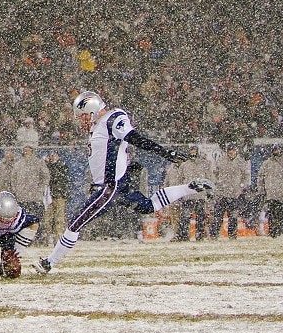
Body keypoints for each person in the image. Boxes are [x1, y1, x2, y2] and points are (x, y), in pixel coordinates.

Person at [34, 91, 212, 274]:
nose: (82, 120)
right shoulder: (98, 126)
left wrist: (166, 153)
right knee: (148, 206)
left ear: (93, 110)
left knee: (76, 222)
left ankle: (49, 262)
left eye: (84, 115)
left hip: (112, 186)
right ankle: (190, 187)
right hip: (112, 185)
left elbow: (136, 139)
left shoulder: (113, 119)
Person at [166, 144, 210, 241]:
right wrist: (180, 192)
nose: (193, 153)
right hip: (188, 196)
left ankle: (200, 236)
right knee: (185, 217)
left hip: (200, 195)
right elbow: (179, 180)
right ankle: (184, 235)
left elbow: (208, 179)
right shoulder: (184, 165)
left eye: (194, 151)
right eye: (191, 151)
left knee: (200, 217)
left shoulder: (204, 164)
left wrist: (209, 191)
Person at [211, 143, 251, 239]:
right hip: (221, 193)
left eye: (233, 150)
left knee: (233, 216)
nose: (231, 152)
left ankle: (232, 235)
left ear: (236, 151)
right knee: (218, 216)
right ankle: (214, 235)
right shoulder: (221, 161)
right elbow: (215, 173)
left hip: (234, 194)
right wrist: (217, 182)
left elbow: (246, 176)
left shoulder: (241, 162)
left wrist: (242, 186)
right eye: (229, 151)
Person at [12, 146, 50, 225]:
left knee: (36, 220)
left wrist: (40, 188)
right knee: (22, 220)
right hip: (22, 197)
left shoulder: (38, 163)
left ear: (32, 151)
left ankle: (38, 235)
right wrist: (16, 189)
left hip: (35, 197)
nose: (27, 152)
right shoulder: (18, 164)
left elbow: (46, 176)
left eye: (29, 150)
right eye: (25, 150)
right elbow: (13, 178)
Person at [44, 151, 70, 245]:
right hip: (50, 196)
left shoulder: (61, 166)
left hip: (59, 196)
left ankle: (58, 237)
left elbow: (58, 178)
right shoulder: (48, 167)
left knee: (59, 218)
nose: (53, 157)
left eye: (54, 155)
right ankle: (47, 237)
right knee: (47, 218)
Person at [257, 146, 283, 238]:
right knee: (272, 213)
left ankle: (279, 231)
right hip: (271, 193)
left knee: (280, 213)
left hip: (280, 193)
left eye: (277, 149)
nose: (276, 151)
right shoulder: (266, 163)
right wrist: (261, 190)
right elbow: (260, 177)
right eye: (275, 150)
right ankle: (273, 232)